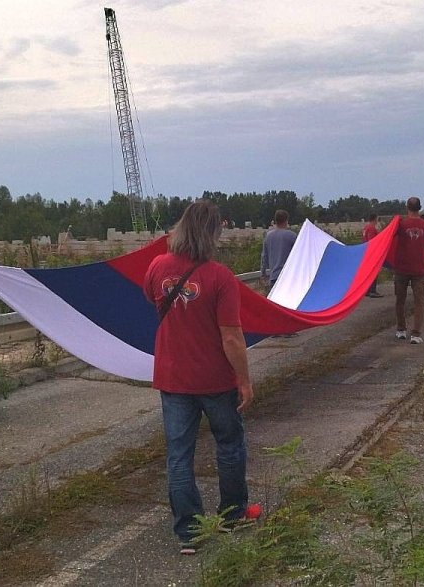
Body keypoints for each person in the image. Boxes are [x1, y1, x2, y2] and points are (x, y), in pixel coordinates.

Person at [143, 200, 255, 555]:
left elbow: (152, 299)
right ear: (213, 234)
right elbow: (232, 338)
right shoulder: (221, 277)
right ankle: (233, 515)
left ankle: (189, 532)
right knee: (229, 445)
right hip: (215, 379)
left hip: (173, 377)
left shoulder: (157, 266)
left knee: (179, 455)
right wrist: (245, 380)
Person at [391, 197, 424, 344]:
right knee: (419, 302)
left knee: (400, 301)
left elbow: (389, 239)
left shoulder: (401, 225)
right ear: (420, 208)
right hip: (420, 269)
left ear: (407, 207)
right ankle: (416, 334)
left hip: (401, 268)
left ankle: (401, 330)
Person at [260, 209, 297, 289]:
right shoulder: (292, 236)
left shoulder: (268, 236)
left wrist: (263, 274)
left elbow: (264, 257)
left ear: (275, 221)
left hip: (274, 277)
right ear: (286, 221)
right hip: (289, 278)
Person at [362, 213, 383, 298]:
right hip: (371, 253)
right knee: (374, 271)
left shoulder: (366, 227)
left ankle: (367, 290)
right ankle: (372, 291)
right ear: (375, 219)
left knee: (368, 272)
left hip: (366, 252)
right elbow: (372, 241)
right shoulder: (371, 228)